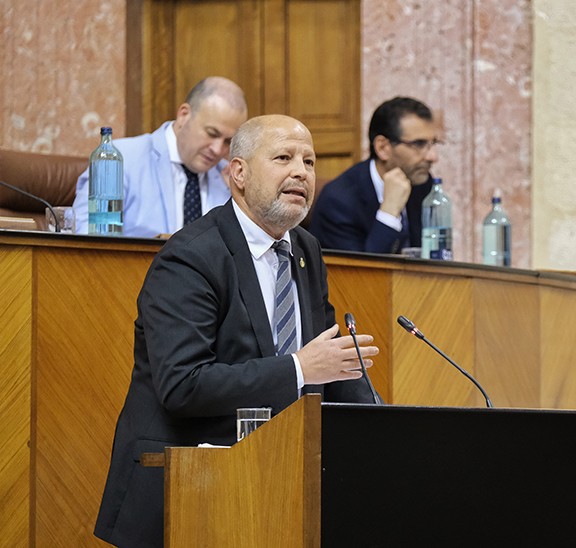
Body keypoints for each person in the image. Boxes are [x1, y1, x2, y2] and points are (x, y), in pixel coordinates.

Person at [93, 114, 380, 547]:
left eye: (310, 161)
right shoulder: (190, 257)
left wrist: (387, 428)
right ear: (239, 173)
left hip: (272, 482)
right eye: (283, 157)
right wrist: (299, 368)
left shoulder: (305, 249)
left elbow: (330, 359)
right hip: (184, 489)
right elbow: (183, 384)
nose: (301, 171)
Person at [73, 76, 249, 237]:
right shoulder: (118, 160)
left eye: (228, 142)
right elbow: (86, 240)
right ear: (184, 115)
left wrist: (240, 202)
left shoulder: (228, 181)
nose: (218, 150)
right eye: (211, 133)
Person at [308, 96, 441, 253]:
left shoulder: (422, 185)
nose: (433, 157)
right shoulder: (339, 201)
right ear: (383, 147)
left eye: (433, 144)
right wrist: (389, 212)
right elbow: (363, 275)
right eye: (419, 144)